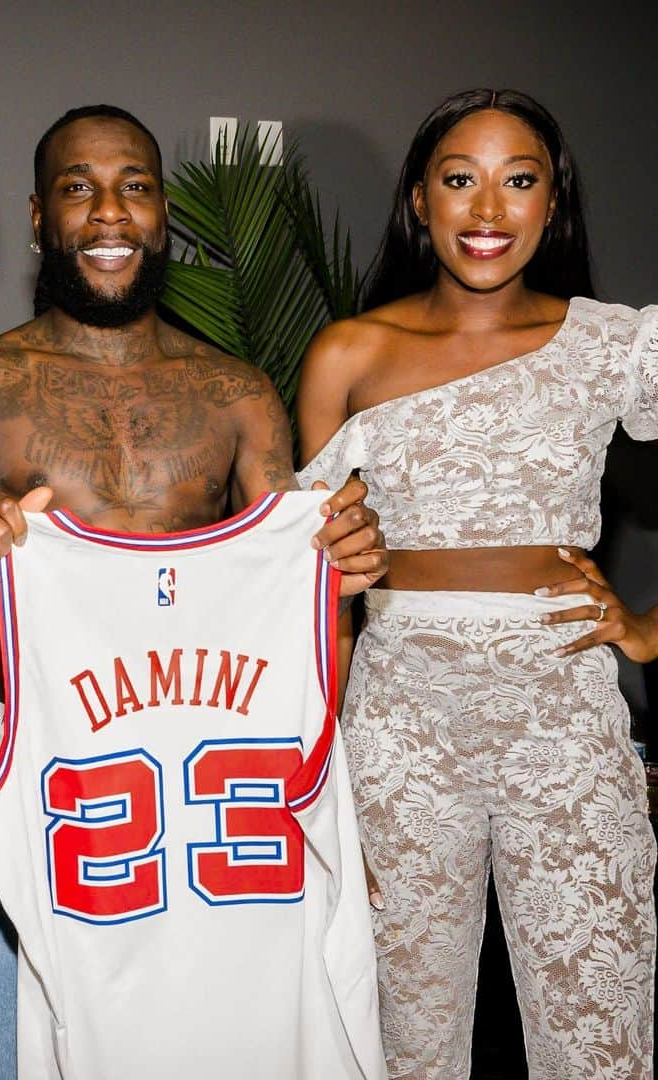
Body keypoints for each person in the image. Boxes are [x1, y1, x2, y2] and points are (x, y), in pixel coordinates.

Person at [0, 104, 388, 1079]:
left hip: (209, 779)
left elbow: (299, 597)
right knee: (9, 1051)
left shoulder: (237, 392)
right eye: (79, 188)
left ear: (164, 213)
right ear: (40, 215)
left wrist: (344, 559)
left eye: (135, 186)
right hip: (43, 768)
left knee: (214, 1046)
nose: (109, 211)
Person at [296, 88, 656, 1078]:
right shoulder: (349, 353)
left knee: (599, 1034)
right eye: (460, 179)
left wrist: (651, 629)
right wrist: (316, 772)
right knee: (402, 1041)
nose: (487, 209)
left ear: (553, 200)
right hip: (399, 723)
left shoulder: (615, 343)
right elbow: (315, 590)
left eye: (519, 179)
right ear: (421, 200)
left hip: (564, 716)